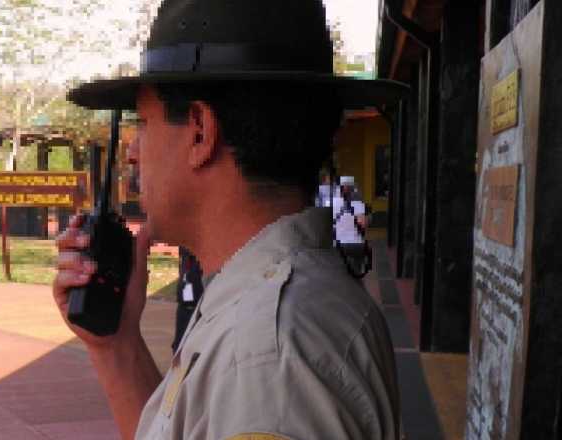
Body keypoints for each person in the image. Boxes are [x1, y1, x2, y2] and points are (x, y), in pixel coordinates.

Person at [52, 1, 406, 439]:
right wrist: (116, 346)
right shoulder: (270, 307)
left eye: (142, 123)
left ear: (200, 132)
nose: (132, 152)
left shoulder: (266, 355)